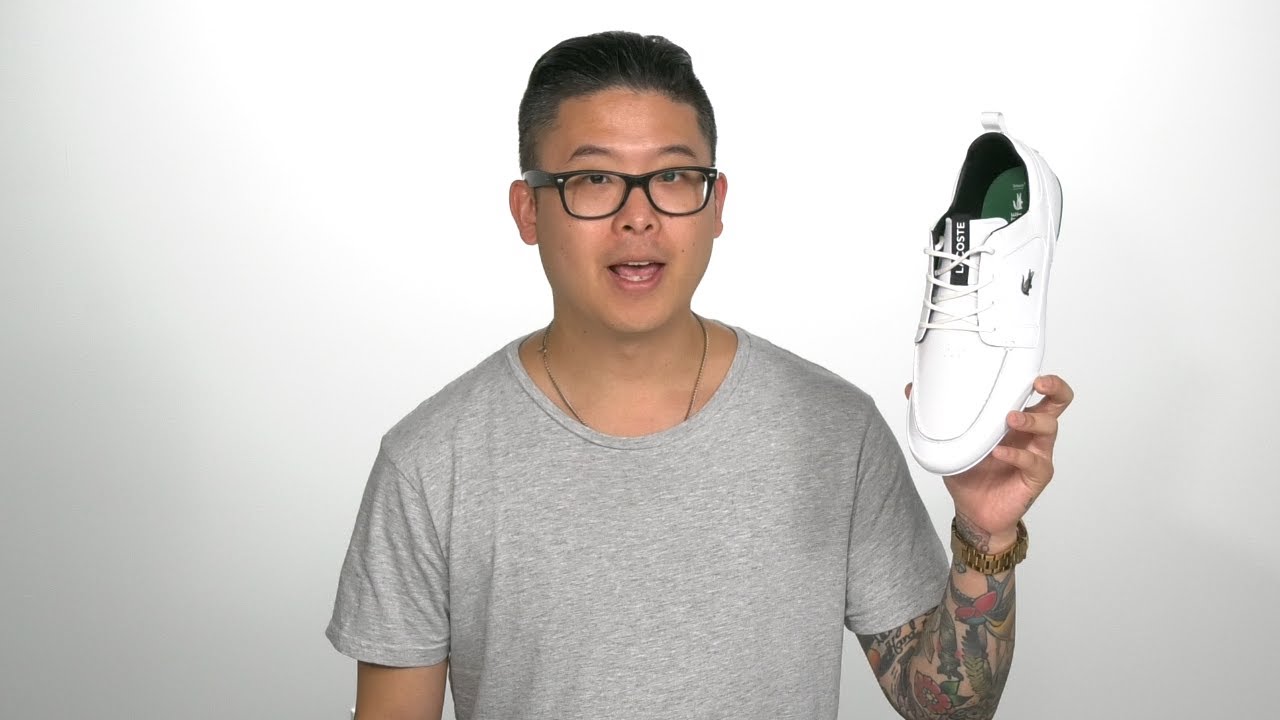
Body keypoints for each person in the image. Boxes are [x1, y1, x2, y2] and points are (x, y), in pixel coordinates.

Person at [325, 30, 1074, 720]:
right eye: (594, 179)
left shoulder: (833, 429)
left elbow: (948, 708)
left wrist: (985, 534)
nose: (639, 217)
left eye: (675, 176)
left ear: (715, 205)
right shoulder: (431, 463)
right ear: (528, 210)